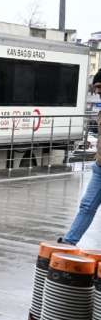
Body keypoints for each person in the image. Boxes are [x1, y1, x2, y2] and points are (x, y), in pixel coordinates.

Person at [60, 72, 101, 245]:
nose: (97, 91)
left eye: (99, 87)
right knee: (87, 205)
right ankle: (69, 242)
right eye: (96, 88)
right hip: (100, 167)